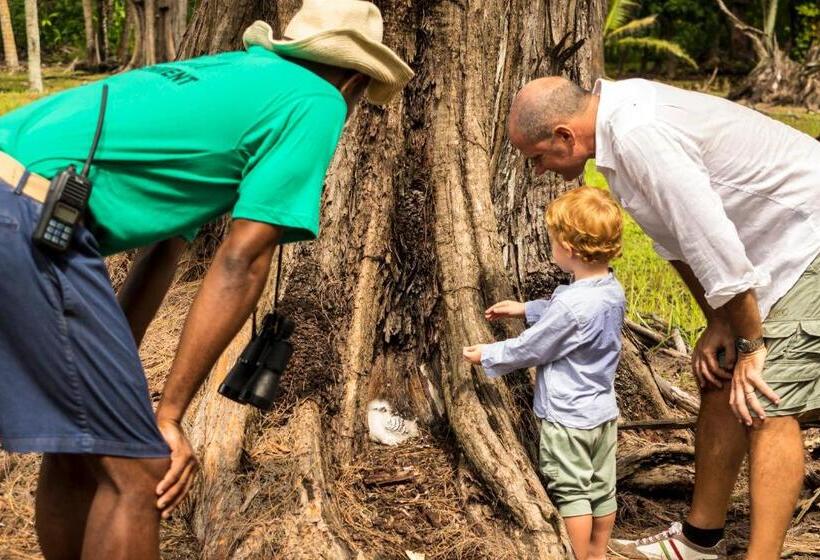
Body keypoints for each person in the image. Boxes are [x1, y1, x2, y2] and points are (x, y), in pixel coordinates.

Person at [0, 1, 413, 558]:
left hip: (22, 201)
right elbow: (243, 259)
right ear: (356, 79)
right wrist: (167, 419)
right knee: (142, 468)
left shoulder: (229, 80)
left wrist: (114, 371)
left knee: (87, 444)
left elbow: (162, 253)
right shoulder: (317, 101)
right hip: (29, 217)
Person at [507, 76, 820, 560]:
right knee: (721, 378)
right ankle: (698, 542)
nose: (539, 170)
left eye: (538, 157)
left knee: (766, 397)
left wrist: (753, 346)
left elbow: (710, 238)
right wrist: (719, 323)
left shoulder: (637, 133)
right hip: (769, 248)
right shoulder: (614, 140)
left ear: (566, 136)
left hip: (808, 234)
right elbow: (676, 243)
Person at [463, 186, 625, 560]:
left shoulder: (570, 305)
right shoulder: (610, 289)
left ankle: (579, 556)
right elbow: (572, 318)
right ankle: (598, 554)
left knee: (572, 493)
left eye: (553, 240)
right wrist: (526, 308)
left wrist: (490, 353)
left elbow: (534, 347)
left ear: (568, 248)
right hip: (602, 413)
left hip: (567, 418)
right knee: (602, 489)